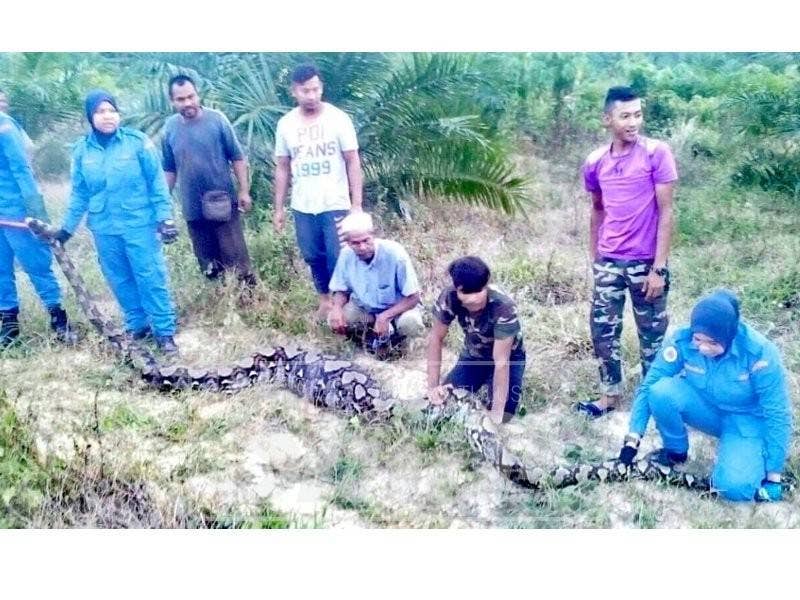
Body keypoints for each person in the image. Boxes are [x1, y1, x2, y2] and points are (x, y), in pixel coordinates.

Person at [618, 290, 792, 502]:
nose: (703, 348)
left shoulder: (760, 354)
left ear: (729, 336)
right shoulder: (682, 341)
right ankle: (676, 451)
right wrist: (632, 439)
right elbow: (649, 385)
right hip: (706, 409)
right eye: (698, 339)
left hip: (745, 422)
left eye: (712, 343)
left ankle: (744, 455)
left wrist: (774, 474)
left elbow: (778, 414)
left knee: (733, 489)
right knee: (661, 391)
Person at [577, 85, 678, 418]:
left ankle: (653, 398)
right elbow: (597, 209)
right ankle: (609, 396)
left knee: (652, 335)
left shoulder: (655, 153)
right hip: (609, 262)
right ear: (608, 119)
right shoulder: (595, 162)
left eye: (638, 114)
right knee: (603, 331)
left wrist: (659, 268)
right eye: (625, 116)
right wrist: (596, 260)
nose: (633, 122)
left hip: (646, 263)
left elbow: (666, 211)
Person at [54, 90, 180, 355]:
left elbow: (156, 184)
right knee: (119, 279)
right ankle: (138, 326)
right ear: (90, 116)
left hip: (139, 224)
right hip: (104, 227)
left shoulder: (137, 142)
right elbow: (79, 193)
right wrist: (66, 228)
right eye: (100, 111)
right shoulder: (82, 151)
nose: (107, 116)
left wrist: (165, 218)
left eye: (111, 110)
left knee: (150, 276)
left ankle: (165, 333)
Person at [273, 63, 363, 320]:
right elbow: (282, 167)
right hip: (303, 205)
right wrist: (278, 208)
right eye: (305, 91)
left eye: (315, 90)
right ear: (294, 91)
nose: (311, 96)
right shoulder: (286, 124)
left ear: (321, 88)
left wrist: (356, 205)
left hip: (334, 202)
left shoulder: (338, 118)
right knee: (312, 254)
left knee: (339, 255)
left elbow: (352, 160)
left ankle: (342, 304)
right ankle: (323, 299)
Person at [162, 74, 256, 286]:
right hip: (193, 208)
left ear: (197, 94)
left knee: (238, 261)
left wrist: (243, 191)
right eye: (181, 99)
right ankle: (221, 305)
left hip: (223, 203)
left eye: (191, 96)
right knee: (209, 266)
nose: (187, 103)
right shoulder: (170, 128)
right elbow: (169, 169)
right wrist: (162, 203)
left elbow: (238, 158)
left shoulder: (217, 120)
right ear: (172, 101)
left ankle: (249, 303)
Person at [0, 111, 76, 347]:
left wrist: (36, 213)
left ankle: (58, 318)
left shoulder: (5, 127)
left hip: (17, 213)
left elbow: (22, 170)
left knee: (37, 266)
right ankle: (9, 326)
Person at [427, 256, 526, 425]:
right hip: (474, 356)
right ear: (457, 288)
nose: (474, 298)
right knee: (444, 401)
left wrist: (496, 413)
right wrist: (432, 387)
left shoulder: (503, 306)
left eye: (479, 291)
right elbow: (436, 338)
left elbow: (501, 361)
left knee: (504, 416)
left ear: (486, 285)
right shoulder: (449, 297)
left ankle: (494, 388)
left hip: (509, 358)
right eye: (467, 293)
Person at [327, 212, 424, 353]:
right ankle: (366, 341)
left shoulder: (395, 253)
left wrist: (385, 317)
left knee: (410, 323)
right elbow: (341, 290)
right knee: (334, 319)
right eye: (355, 243)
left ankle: (401, 343)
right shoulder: (346, 255)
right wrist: (336, 308)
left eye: (366, 240)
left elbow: (414, 297)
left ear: (373, 235)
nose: (362, 247)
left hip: (398, 308)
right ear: (347, 242)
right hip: (365, 308)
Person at [0, 89, 34, 158]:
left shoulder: (10, 124)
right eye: (0, 101)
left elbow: (29, 148)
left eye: (4, 101)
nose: (3, 105)